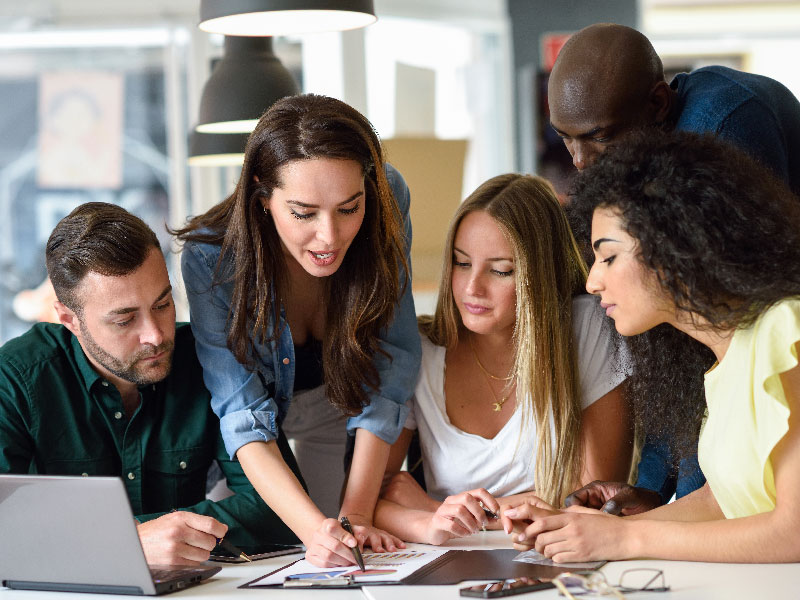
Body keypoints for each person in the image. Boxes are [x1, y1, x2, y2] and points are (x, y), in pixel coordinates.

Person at [503, 130, 800, 563]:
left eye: (608, 257)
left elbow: (792, 531)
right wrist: (590, 529)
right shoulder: (725, 358)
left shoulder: (785, 332)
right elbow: (722, 503)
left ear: (675, 245)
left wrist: (624, 541)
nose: (592, 281)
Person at [548, 22, 800, 512]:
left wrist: (675, 501)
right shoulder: (649, 159)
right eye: (565, 139)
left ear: (658, 106)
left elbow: (716, 342)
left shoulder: (724, 129)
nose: (579, 161)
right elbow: (674, 340)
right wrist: (651, 488)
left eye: (597, 136)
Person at [175, 94, 421, 568]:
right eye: (304, 213)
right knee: (272, 552)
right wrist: (315, 533)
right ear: (263, 198)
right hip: (255, 432)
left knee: (348, 550)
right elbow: (242, 415)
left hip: (342, 399)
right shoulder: (211, 257)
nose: (329, 237)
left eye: (349, 208)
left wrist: (355, 515)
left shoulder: (389, 197)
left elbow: (392, 360)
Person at [0, 202, 300, 565]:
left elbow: (281, 511)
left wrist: (140, 537)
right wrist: (125, 542)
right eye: (124, 320)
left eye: (163, 304)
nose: (156, 336)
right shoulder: (16, 378)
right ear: (69, 319)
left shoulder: (208, 361)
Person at [373, 174, 632, 545]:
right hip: (449, 563)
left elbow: (593, 498)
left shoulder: (588, 327)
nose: (471, 288)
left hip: (558, 557)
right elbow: (375, 501)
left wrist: (439, 509)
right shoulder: (420, 350)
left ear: (540, 274)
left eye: (500, 270)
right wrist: (430, 522)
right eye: (461, 264)